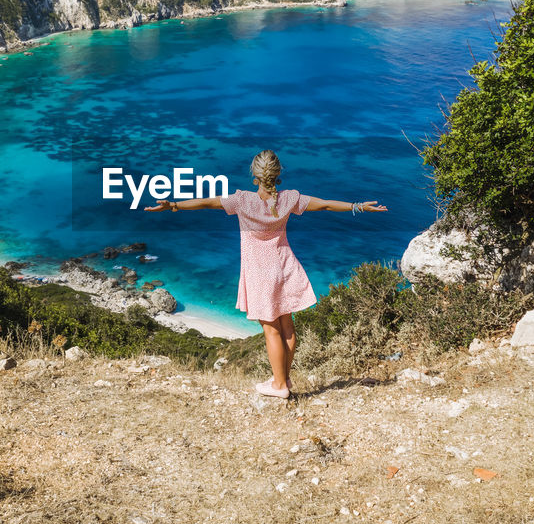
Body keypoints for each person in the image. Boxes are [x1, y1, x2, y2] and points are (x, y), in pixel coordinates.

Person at [145, 149, 386, 399]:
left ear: (255, 176)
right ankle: (282, 377)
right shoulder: (289, 199)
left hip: (261, 274)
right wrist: (357, 206)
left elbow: (208, 202)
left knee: (271, 330)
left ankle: (279, 386)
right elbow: (324, 204)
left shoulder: (243, 201)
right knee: (287, 329)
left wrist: (173, 205)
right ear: (278, 174)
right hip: (284, 267)